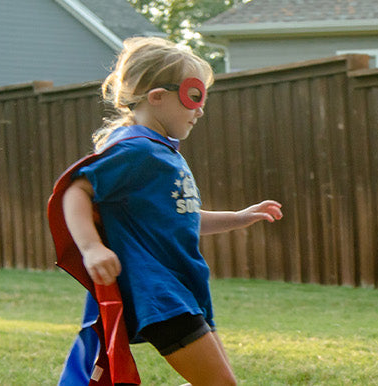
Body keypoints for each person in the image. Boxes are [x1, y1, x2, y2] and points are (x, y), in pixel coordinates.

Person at [49, 37, 283, 386]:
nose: (201, 109)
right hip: (157, 291)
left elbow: (178, 217)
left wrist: (238, 217)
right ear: (157, 97)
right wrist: (91, 248)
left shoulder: (162, 152)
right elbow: (75, 190)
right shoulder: (136, 150)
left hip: (183, 285)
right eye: (194, 96)